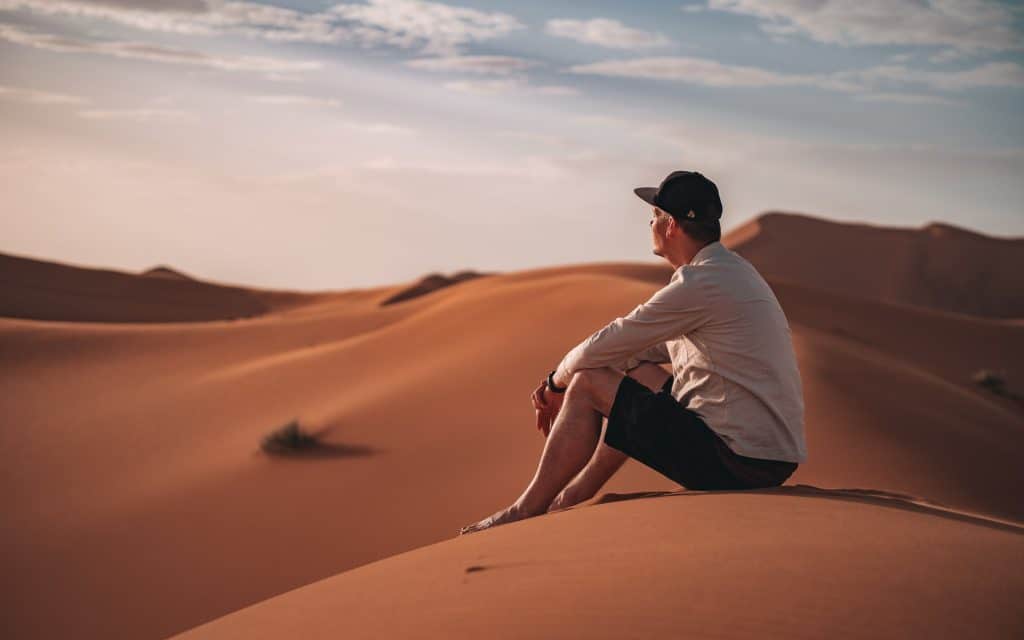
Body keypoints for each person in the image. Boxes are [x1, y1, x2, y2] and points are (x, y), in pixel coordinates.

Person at [459, 170, 807, 536]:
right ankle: (574, 494)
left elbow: (615, 337)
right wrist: (604, 361)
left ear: (671, 225)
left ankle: (526, 509)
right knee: (637, 368)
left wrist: (554, 384)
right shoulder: (731, 273)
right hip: (768, 458)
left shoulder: (701, 284)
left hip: (736, 462)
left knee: (588, 381)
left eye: (654, 216)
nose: (650, 223)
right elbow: (634, 350)